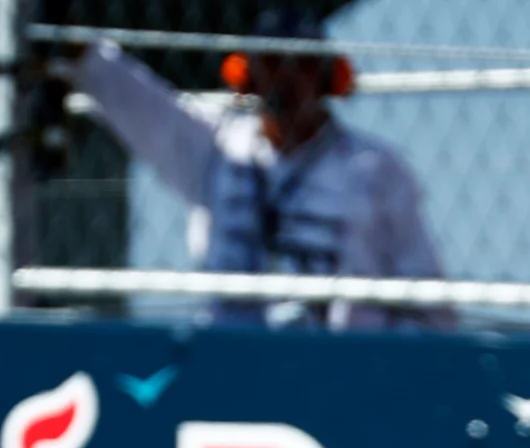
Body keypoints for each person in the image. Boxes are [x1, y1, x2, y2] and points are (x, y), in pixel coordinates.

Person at [75, 10, 446, 329]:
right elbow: (140, 102)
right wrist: (78, 49)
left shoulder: (376, 168)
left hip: (342, 364)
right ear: (248, 75)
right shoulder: (217, 147)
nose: (286, 77)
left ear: (324, 76)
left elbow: (429, 301)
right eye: (271, 61)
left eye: (301, 63)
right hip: (230, 356)